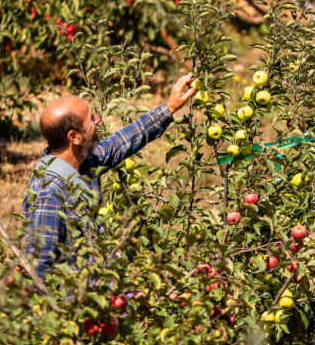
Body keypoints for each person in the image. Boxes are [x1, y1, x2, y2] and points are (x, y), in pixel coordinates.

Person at [22, 74, 196, 279]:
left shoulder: (83, 161)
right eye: (91, 120)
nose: (98, 120)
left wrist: (168, 108)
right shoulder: (50, 192)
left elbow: (123, 141)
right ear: (74, 137)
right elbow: (39, 268)